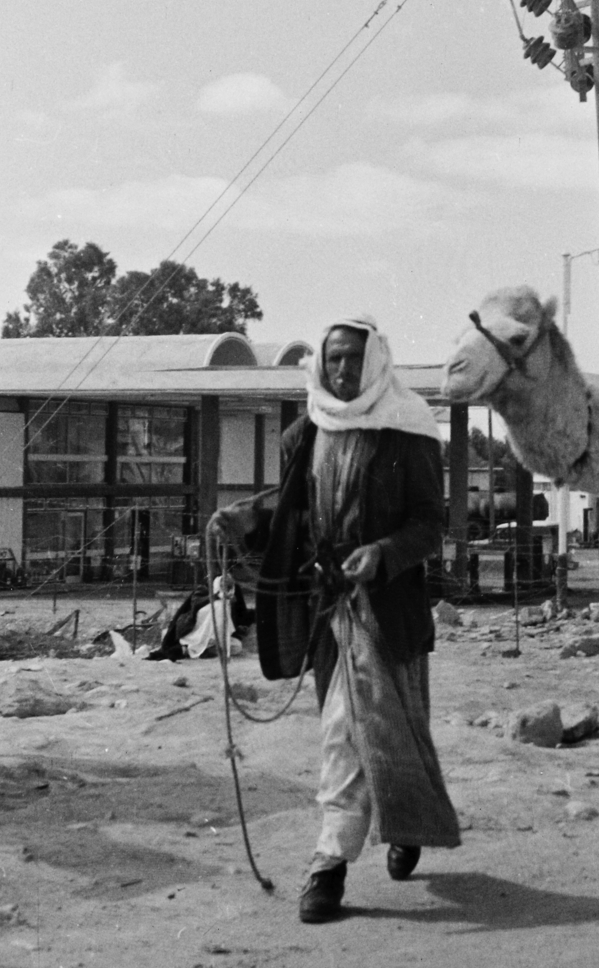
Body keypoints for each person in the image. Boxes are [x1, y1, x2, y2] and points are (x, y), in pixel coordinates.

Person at [207, 315, 459, 924]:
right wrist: (245, 517)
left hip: (388, 609)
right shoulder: (306, 432)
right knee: (361, 729)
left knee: (373, 729)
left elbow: (431, 523)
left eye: (353, 358)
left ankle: (362, 847)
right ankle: (368, 843)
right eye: (335, 359)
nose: (343, 370)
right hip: (326, 609)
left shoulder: (410, 430)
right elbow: (289, 505)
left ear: (375, 361)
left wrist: (384, 554)